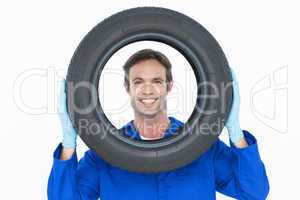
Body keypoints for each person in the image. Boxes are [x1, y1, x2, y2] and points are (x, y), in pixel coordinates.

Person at [48, 49, 269, 200]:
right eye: (138, 82)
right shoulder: (105, 152)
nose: (147, 90)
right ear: (127, 87)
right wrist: (69, 143)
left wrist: (235, 131)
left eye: (156, 81)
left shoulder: (202, 145)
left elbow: (254, 193)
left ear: (169, 86)